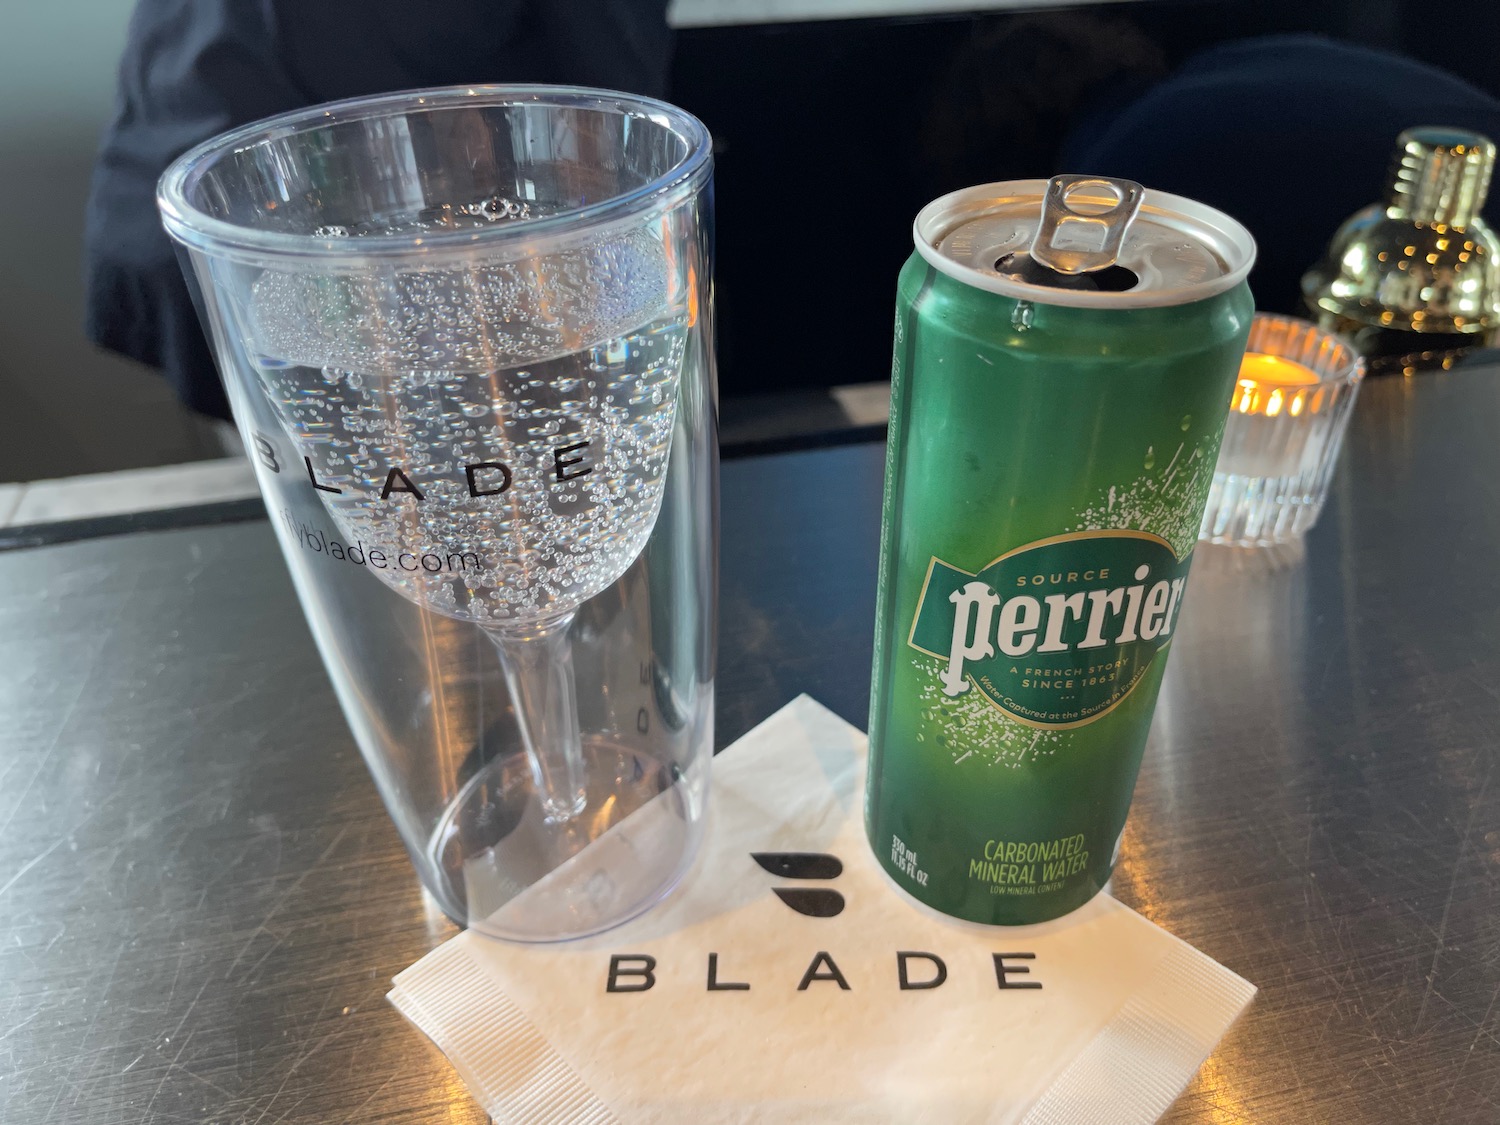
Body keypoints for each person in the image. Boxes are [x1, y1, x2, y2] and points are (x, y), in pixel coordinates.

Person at [84, 0, 673, 421]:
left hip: (437, 261)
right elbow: (616, 133)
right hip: (217, 225)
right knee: (342, 500)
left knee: (368, 503)